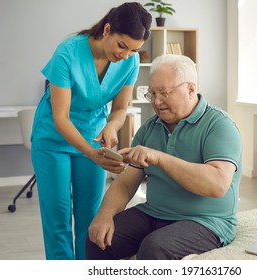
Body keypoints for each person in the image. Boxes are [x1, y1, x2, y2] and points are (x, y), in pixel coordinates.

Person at [85, 54, 243, 260]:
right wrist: (104, 215)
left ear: (191, 89)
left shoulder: (219, 125)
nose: (157, 102)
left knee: (155, 248)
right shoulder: (150, 128)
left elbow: (217, 185)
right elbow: (125, 184)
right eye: (152, 93)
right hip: (154, 213)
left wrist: (159, 158)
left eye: (164, 93)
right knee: (98, 240)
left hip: (207, 221)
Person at [30, 2, 152, 260]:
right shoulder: (68, 52)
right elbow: (60, 118)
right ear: (107, 29)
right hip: (54, 138)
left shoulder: (129, 62)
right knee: (58, 217)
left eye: (134, 50)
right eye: (122, 46)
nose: (126, 55)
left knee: (90, 216)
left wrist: (111, 125)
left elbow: (120, 109)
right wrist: (90, 153)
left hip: (93, 138)